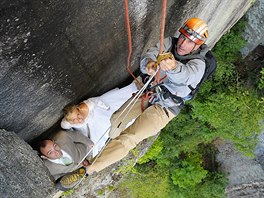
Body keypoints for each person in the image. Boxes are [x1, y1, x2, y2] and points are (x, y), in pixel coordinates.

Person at [85, 17, 211, 174]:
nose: (183, 44)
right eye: (183, 38)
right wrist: (149, 65)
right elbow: (149, 54)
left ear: (197, 46)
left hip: (167, 107)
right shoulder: (170, 42)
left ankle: (89, 168)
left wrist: (173, 68)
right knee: (116, 120)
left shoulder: (199, 64)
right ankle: (110, 145)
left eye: (190, 42)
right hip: (149, 91)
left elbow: (186, 76)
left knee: (130, 137)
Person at [60, 81, 141, 157]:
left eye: (78, 115)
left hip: (98, 115)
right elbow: (64, 125)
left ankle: (136, 96)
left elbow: (96, 101)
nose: (78, 119)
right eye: (74, 120)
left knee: (112, 117)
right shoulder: (69, 123)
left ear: (79, 109)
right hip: (91, 129)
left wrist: (106, 108)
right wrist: (71, 122)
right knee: (96, 142)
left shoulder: (85, 107)